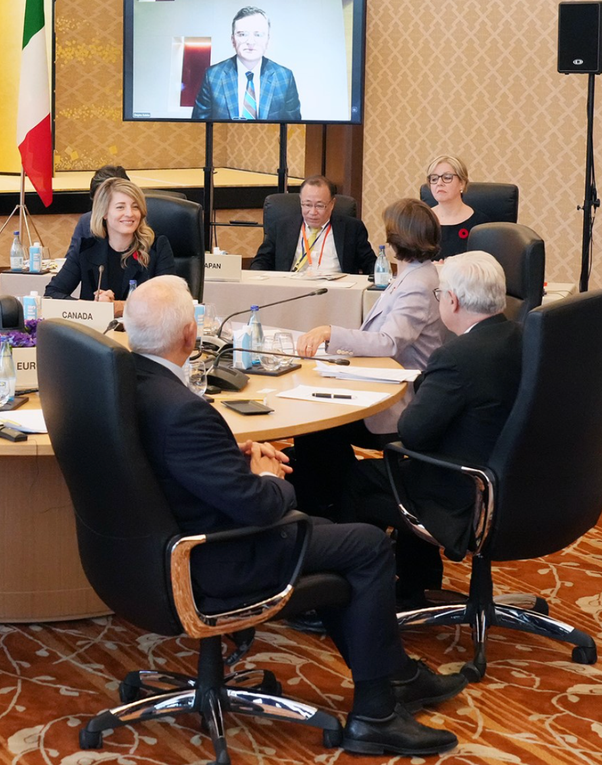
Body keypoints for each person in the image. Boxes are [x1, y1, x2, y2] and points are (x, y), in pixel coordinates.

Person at [123, 275, 464, 756]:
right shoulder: (182, 411)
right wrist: (266, 476)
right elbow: (260, 505)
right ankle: (375, 715)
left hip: (153, 547)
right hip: (214, 557)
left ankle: (396, 676)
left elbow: (172, 458)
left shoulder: (128, 383)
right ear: (188, 336)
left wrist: (230, 454)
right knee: (365, 544)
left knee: (327, 534)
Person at [345, 252, 522, 607]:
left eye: (440, 295)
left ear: (452, 301)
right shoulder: (521, 338)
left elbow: (412, 432)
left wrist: (426, 384)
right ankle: (418, 580)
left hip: (461, 494)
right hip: (518, 487)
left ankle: (355, 598)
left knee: (345, 480)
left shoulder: (456, 356)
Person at [292, 199, 445, 518]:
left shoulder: (417, 284)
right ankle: (333, 507)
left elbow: (389, 341)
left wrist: (330, 332)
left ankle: (329, 513)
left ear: (397, 240)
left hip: (399, 401)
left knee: (316, 429)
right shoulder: (415, 274)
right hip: (382, 382)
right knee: (316, 433)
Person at [44, 177, 175, 316]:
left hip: (141, 333)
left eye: (135, 207)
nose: (130, 213)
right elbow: (51, 294)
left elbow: (171, 300)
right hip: (94, 334)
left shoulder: (156, 247)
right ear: (104, 213)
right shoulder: (86, 249)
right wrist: (93, 307)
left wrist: (117, 307)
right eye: (120, 207)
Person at [190, 7, 301, 122]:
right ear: (233, 40)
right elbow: (198, 128)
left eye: (258, 35)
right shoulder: (213, 76)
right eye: (242, 34)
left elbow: (294, 130)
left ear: (268, 40)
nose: (251, 42)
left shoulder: (284, 77)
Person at [251, 175, 378, 275]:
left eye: (319, 205)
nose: (312, 212)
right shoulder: (281, 227)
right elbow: (261, 261)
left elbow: (370, 264)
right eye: (307, 205)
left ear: (332, 204)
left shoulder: (352, 228)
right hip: (291, 291)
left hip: (336, 293)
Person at [424, 154, 490, 259]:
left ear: (462, 183)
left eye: (447, 178)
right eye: (434, 179)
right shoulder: (421, 220)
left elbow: (484, 267)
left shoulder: (480, 224)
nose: (439, 183)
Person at [63, 164, 131, 260]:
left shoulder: (136, 220)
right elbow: (71, 261)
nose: (105, 205)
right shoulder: (87, 221)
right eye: (101, 199)